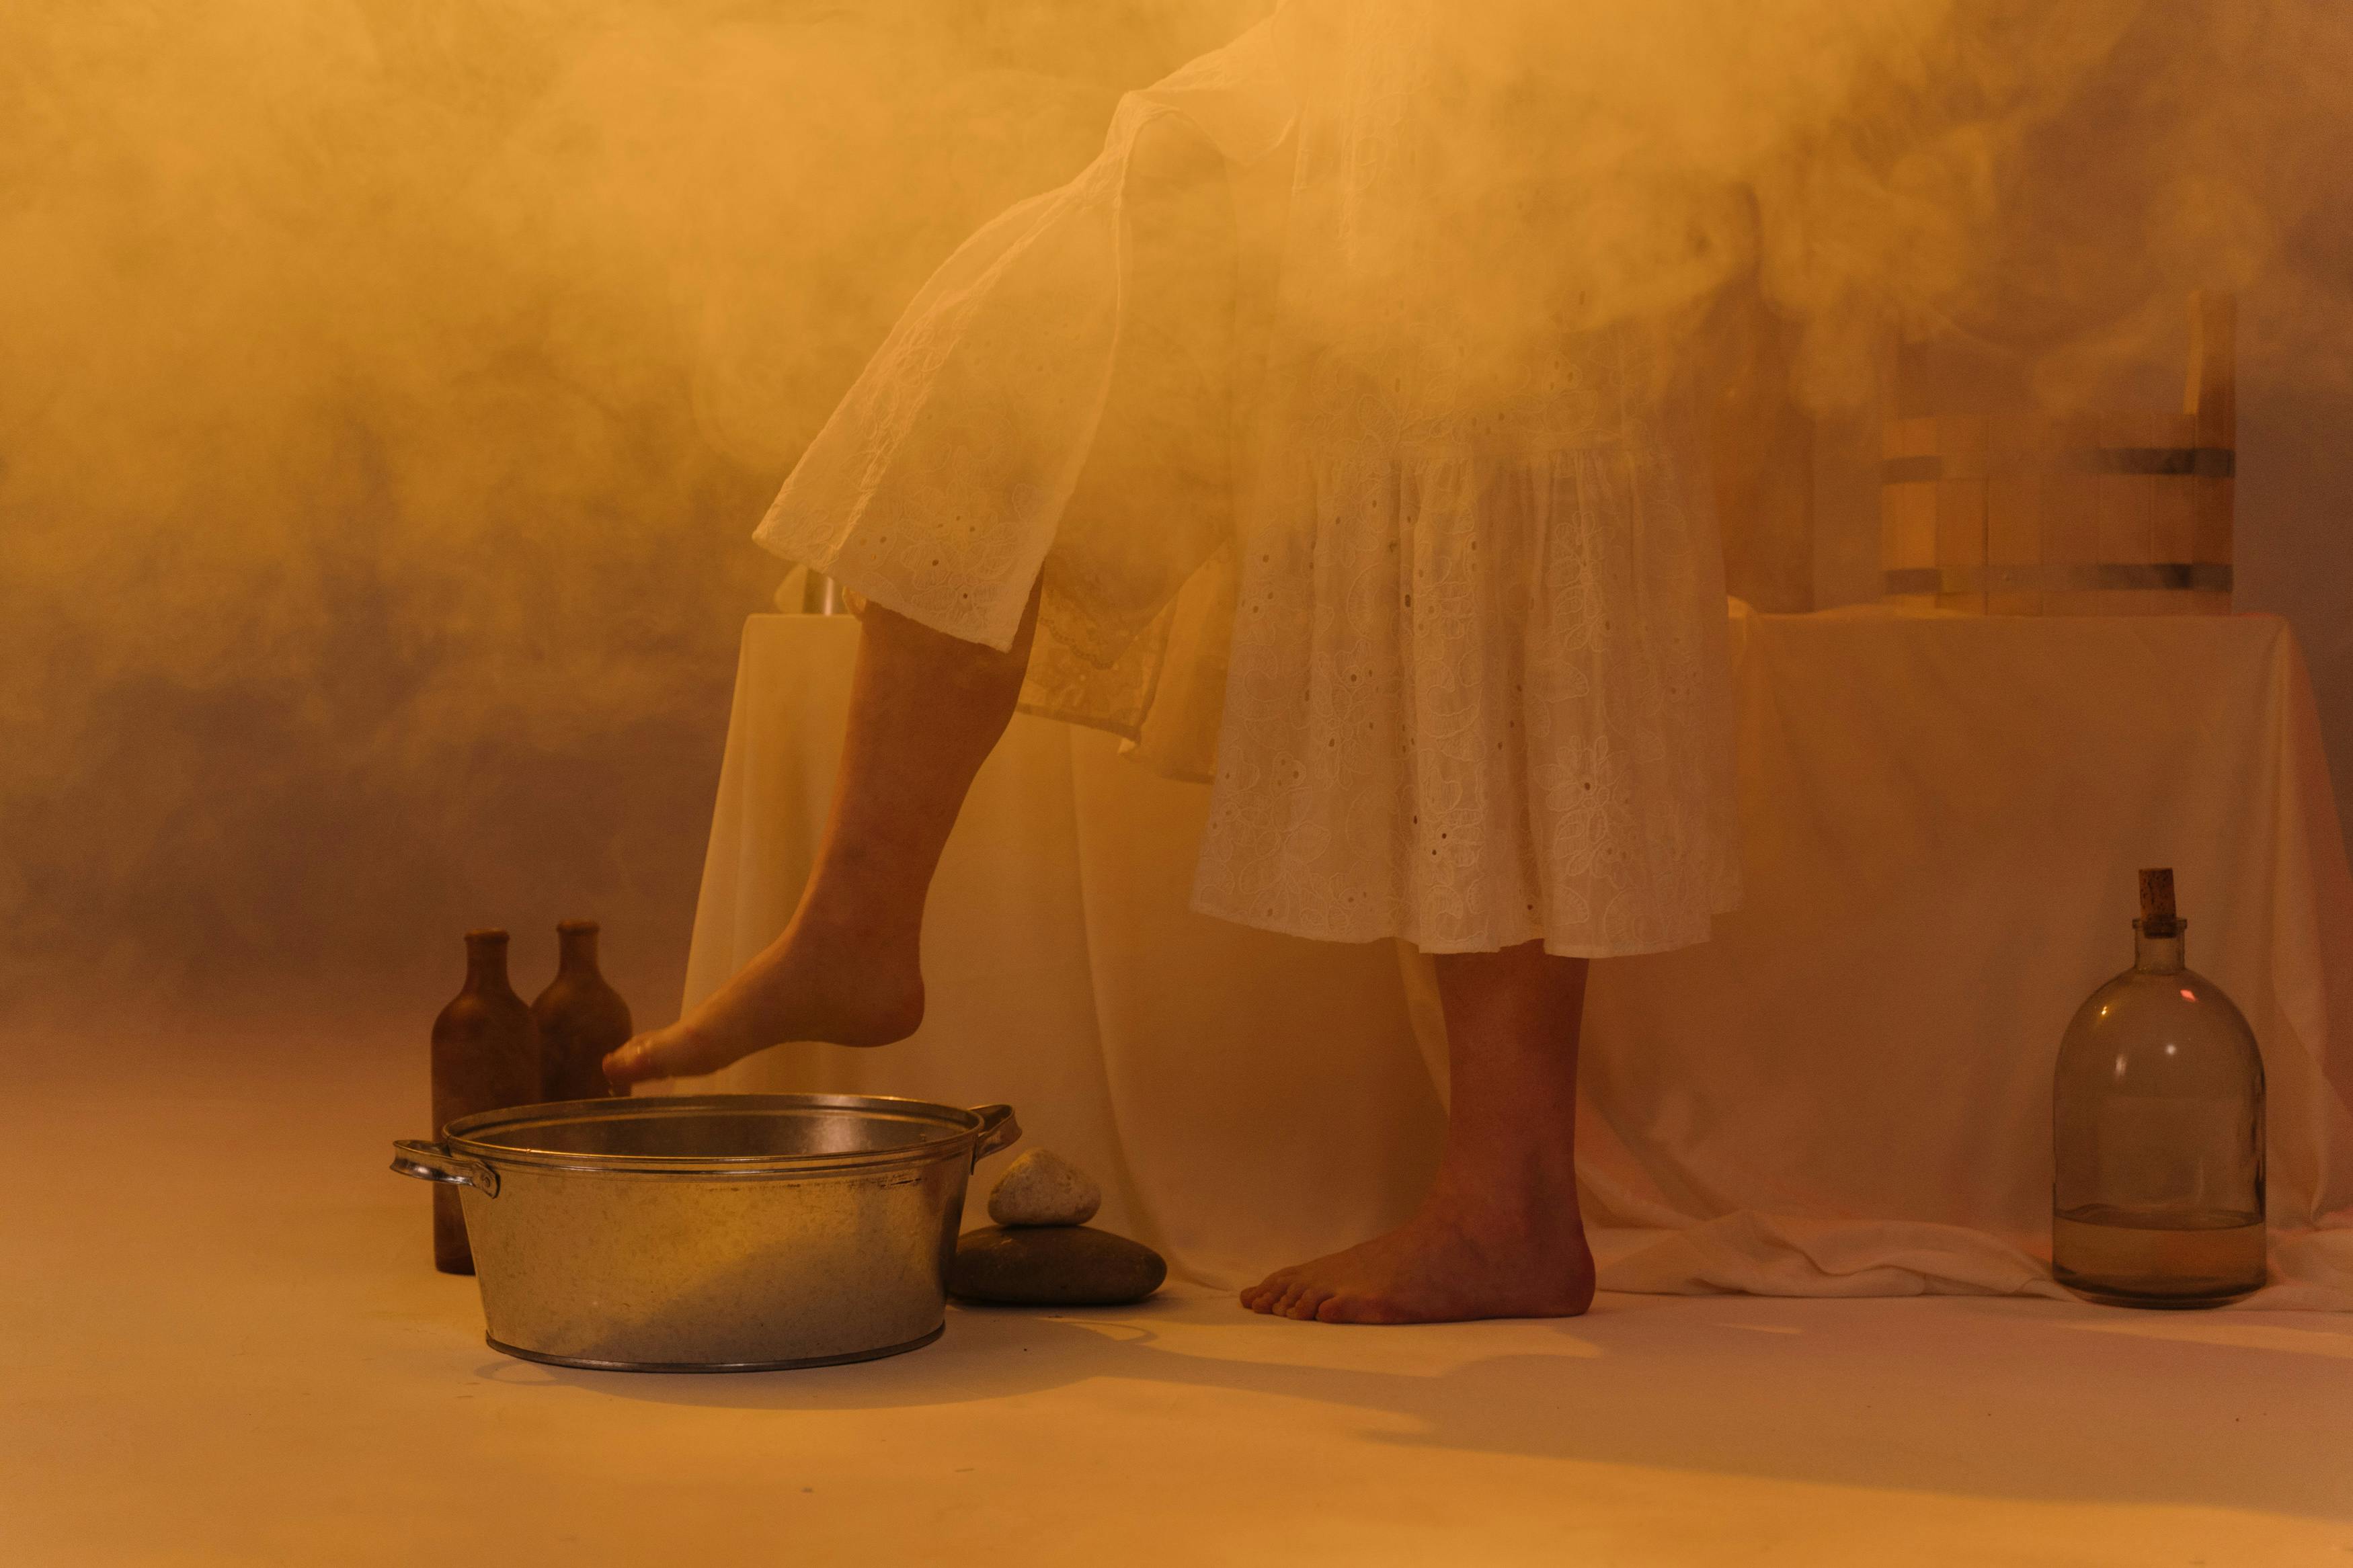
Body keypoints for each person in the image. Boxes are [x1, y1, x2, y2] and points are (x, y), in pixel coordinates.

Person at [603, 1, 1741, 1324]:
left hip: (1540, 70)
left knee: (1481, 496)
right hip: (1353, 61)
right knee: (1008, 356)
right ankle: (856, 920)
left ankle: (1511, 1206)